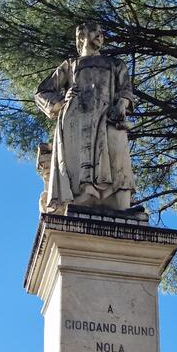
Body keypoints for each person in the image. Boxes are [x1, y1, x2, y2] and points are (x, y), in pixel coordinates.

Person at [35, 22, 135, 212]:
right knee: (80, 161)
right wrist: (61, 102)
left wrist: (122, 103)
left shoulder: (115, 64)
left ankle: (120, 204)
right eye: (95, 32)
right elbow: (42, 92)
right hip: (76, 117)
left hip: (108, 117)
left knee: (118, 151)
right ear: (81, 36)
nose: (100, 35)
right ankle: (83, 197)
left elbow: (126, 90)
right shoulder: (71, 65)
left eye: (102, 33)